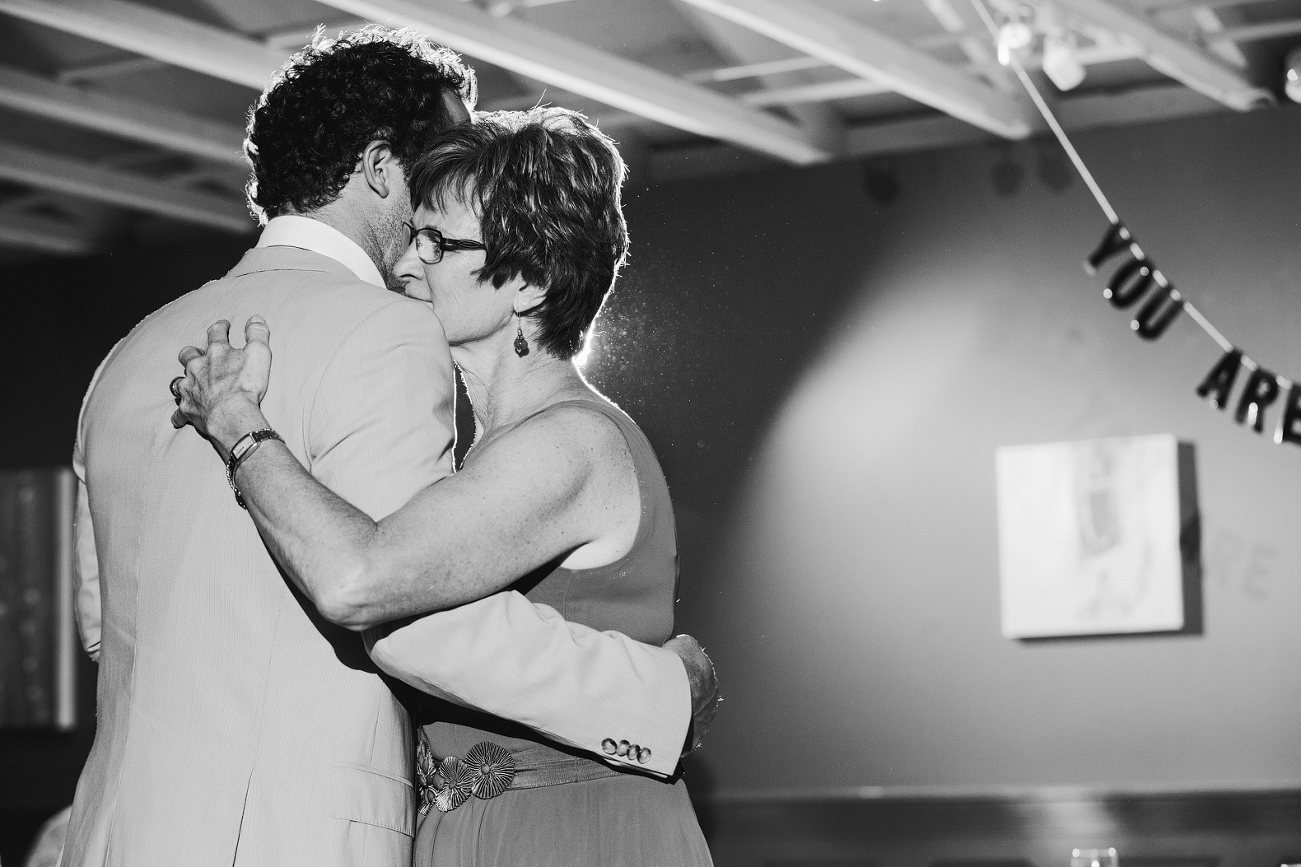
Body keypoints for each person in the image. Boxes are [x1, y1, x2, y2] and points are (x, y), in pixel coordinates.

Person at [65, 28, 716, 867]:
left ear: (525, 279)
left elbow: (103, 625)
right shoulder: (384, 333)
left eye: (443, 244)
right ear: (380, 169)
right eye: (430, 181)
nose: (416, 255)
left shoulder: (131, 353)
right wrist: (658, 692)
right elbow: (400, 612)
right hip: (297, 834)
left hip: (122, 832)